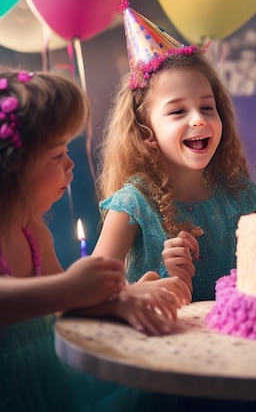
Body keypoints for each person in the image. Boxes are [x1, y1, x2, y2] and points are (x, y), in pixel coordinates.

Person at [0, 67, 185, 411]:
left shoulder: (33, 233)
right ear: (11, 168)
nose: (70, 165)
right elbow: (57, 293)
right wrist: (71, 287)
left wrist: (116, 297)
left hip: (52, 380)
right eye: (56, 156)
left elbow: (62, 304)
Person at [93, 5, 256, 302]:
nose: (198, 119)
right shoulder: (133, 205)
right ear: (146, 132)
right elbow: (89, 292)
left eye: (207, 107)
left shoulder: (239, 194)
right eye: (178, 111)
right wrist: (153, 282)